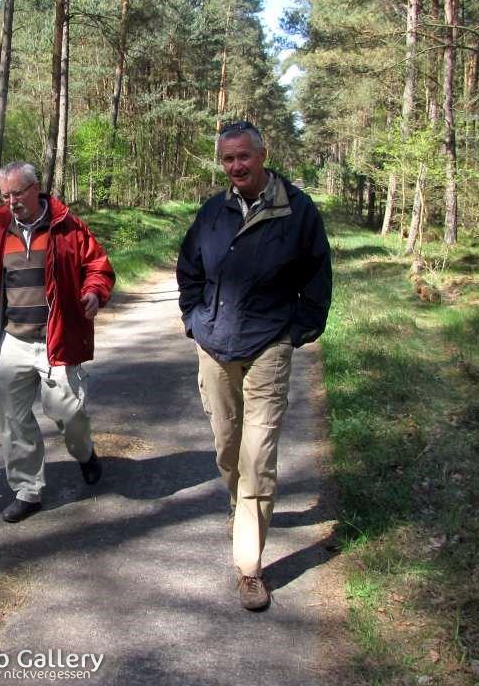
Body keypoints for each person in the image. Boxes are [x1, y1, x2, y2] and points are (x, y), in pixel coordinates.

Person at [176, 120, 332, 610]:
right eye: (228, 159)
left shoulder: (298, 211)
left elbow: (318, 275)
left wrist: (296, 331)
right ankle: (238, 501)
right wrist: (193, 318)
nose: (236, 166)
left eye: (243, 156)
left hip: (268, 343)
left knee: (258, 453)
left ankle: (249, 566)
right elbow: (189, 268)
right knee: (228, 445)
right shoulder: (213, 211)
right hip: (215, 344)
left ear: (263, 155)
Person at [0, 161, 115, 523]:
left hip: (57, 339)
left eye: (18, 193)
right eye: (6, 196)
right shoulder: (0, 230)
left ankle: (84, 453)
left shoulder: (67, 226)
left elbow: (98, 266)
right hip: (14, 341)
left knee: (69, 413)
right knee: (13, 419)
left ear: (36, 188)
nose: (12, 202)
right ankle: (28, 490)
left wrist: (94, 292)